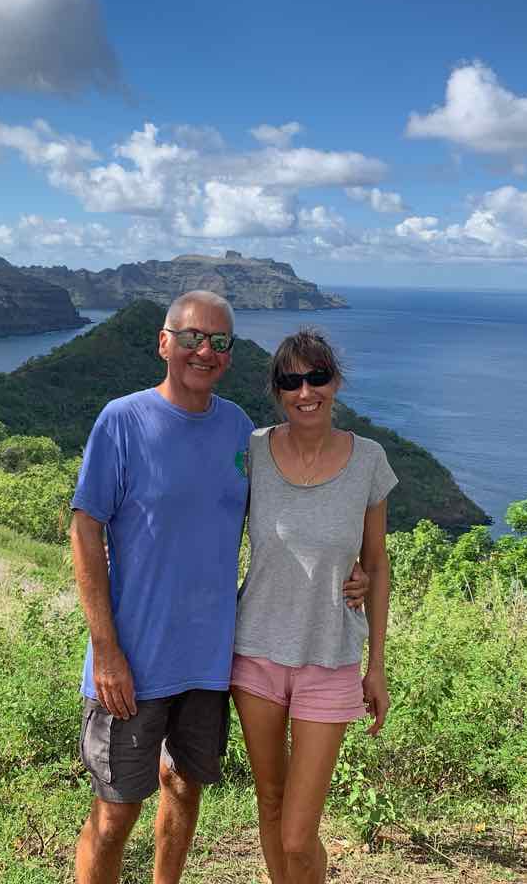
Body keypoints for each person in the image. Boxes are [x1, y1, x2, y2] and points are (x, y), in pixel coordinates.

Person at [70, 293, 367, 884]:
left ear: (230, 354)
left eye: (219, 342)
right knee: (115, 812)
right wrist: (105, 649)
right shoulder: (122, 420)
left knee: (184, 790)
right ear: (164, 342)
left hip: (210, 662)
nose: (203, 351)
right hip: (133, 659)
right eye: (191, 338)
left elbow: (291, 508)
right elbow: (84, 529)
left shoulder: (238, 430)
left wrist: (350, 568)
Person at [230, 328, 396, 884]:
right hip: (254, 653)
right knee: (270, 802)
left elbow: (378, 562)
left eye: (317, 377)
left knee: (300, 833)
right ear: (277, 390)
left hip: (330, 655)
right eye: (291, 380)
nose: (306, 391)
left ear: (336, 381)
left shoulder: (368, 460)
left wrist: (376, 664)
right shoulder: (251, 450)